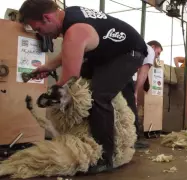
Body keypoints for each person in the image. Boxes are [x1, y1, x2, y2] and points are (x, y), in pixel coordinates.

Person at [19, 0, 148, 173]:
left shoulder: (75, 30)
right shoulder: (69, 15)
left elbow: (70, 80)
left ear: (46, 18)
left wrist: (54, 93)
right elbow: (71, 50)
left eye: (38, 29)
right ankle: (90, 138)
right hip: (109, 52)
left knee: (98, 96)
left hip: (127, 53)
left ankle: (104, 156)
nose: (40, 33)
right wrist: (48, 66)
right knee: (89, 86)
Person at [121, 40, 163, 149]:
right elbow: (143, 72)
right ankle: (134, 139)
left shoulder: (135, 46)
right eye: (158, 53)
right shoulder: (149, 50)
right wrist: (135, 93)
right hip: (123, 75)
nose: (157, 57)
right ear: (153, 47)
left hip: (116, 70)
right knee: (131, 105)